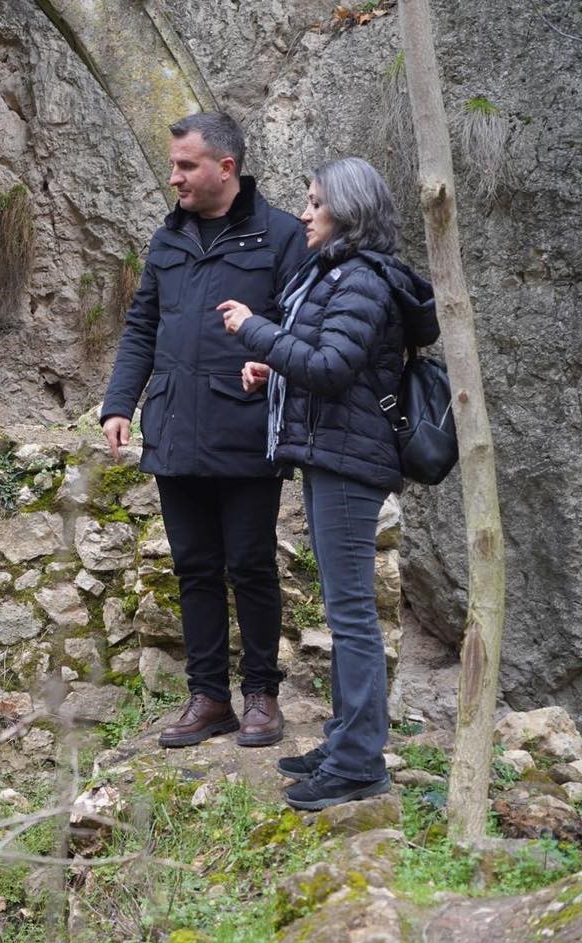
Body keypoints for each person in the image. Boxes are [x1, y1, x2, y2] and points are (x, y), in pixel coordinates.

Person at [218, 156, 437, 810]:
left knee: (352, 615)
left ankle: (359, 762)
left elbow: (333, 368)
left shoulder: (362, 280)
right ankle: (345, 738)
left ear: (348, 211)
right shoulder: (339, 274)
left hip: (349, 462)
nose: (305, 213)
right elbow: (328, 365)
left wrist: (255, 331)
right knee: (346, 613)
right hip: (332, 453)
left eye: (316, 203)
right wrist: (273, 369)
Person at [100, 112, 309, 749]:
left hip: (245, 426)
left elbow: (303, 329)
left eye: (186, 165)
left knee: (250, 565)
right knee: (193, 566)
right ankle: (209, 697)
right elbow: (142, 327)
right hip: (173, 425)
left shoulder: (281, 236)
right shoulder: (167, 239)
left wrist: (271, 368)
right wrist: (119, 403)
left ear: (226, 167)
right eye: (173, 165)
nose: (175, 178)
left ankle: (261, 696)